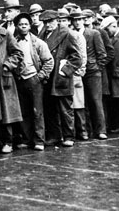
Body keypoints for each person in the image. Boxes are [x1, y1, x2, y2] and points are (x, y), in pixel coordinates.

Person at [39, 10, 82, 147]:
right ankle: (55, 136)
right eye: (45, 22)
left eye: (50, 21)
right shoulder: (43, 35)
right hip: (48, 78)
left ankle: (69, 136)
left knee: (65, 109)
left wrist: (64, 70)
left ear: (57, 20)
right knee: (50, 109)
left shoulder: (66, 34)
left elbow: (77, 58)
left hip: (61, 78)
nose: (48, 24)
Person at [13, 12, 53, 151]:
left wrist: (40, 76)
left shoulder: (38, 43)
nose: (23, 27)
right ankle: (26, 139)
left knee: (37, 111)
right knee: (24, 111)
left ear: (30, 26)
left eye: (25, 24)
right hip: (20, 80)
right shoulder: (14, 42)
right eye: (20, 25)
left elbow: (49, 61)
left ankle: (39, 140)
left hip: (34, 80)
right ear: (16, 26)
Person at [70, 9, 107, 140]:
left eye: (80, 19)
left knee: (96, 101)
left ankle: (101, 130)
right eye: (75, 20)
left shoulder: (93, 33)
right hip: (79, 72)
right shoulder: (71, 35)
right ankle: (86, 131)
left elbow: (102, 54)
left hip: (92, 72)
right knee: (81, 103)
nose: (78, 22)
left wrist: (97, 68)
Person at [0, 4, 24, 153]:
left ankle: (8, 142)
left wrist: (7, 65)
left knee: (7, 112)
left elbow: (17, 53)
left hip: (4, 78)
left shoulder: (5, 34)